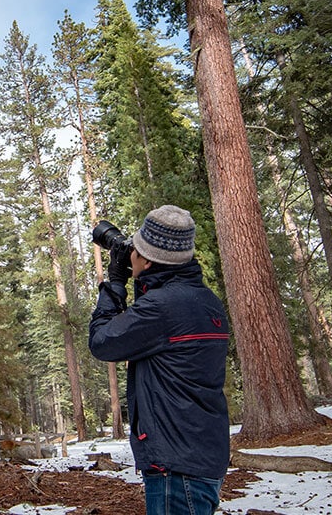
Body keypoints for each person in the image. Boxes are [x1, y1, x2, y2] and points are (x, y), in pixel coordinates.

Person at [88, 205, 230, 515]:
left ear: (149, 259)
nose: (130, 254)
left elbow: (102, 343)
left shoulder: (162, 308)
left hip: (176, 466)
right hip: (202, 456)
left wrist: (115, 282)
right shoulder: (205, 301)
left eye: (135, 249)